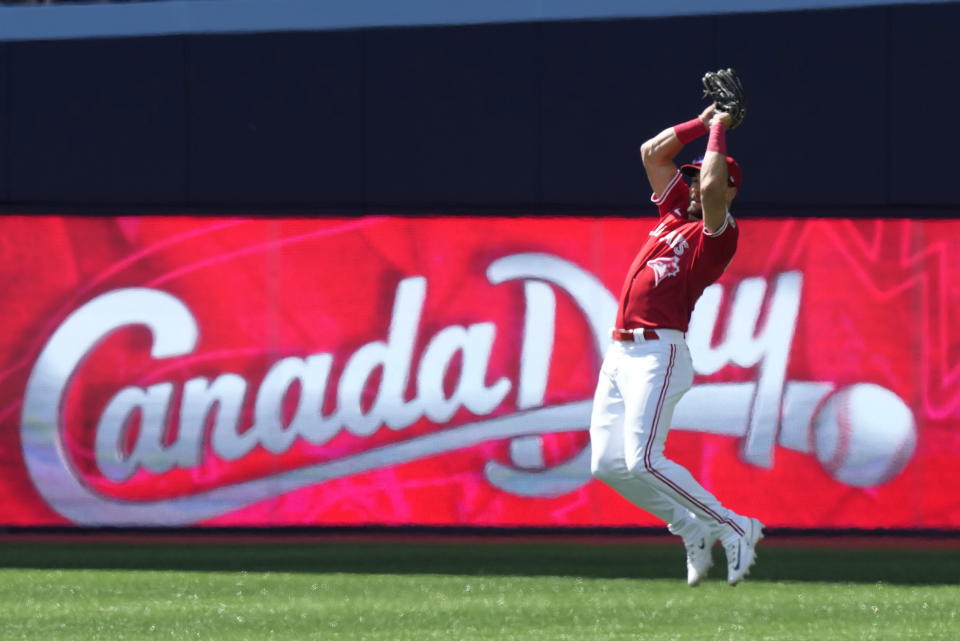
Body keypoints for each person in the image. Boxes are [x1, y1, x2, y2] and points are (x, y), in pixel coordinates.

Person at [589, 102, 763, 586]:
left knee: (644, 458)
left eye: (700, 179)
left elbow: (710, 187)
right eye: (686, 179)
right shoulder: (670, 214)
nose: (690, 185)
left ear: (730, 191)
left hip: (657, 352)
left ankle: (734, 526)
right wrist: (702, 122)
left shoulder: (717, 234)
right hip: (620, 352)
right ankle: (689, 525)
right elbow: (651, 152)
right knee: (607, 463)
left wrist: (721, 132)